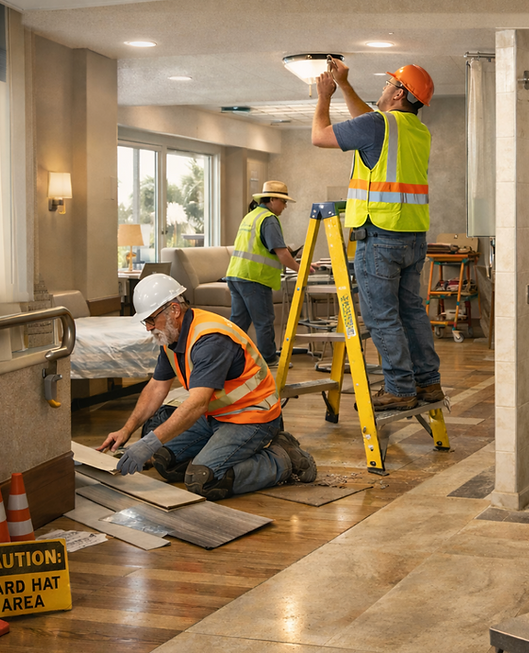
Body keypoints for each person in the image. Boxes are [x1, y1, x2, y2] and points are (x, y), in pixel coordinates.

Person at [97, 273, 317, 498]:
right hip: (217, 417)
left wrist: (148, 443)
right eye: (146, 322)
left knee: (203, 480)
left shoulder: (209, 340)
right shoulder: (171, 339)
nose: (148, 328)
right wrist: (126, 431)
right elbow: (156, 388)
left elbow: (197, 404)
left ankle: (282, 458)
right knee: (164, 461)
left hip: (252, 417)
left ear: (174, 310)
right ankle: (219, 457)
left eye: (151, 320)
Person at [310, 58, 444, 411]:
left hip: (380, 234)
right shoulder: (415, 130)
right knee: (411, 311)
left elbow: (319, 136)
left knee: (381, 315)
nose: (382, 89)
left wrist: (324, 95)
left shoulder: (378, 125)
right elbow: (367, 121)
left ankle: (399, 387)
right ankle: (428, 383)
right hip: (413, 235)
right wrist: (345, 85)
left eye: (388, 85)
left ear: (399, 93)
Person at [226, 181, 313, 366]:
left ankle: (229, 358)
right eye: (283, 201)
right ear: (273, 199)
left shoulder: (251, 216)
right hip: (254, 278)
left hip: (236, 275)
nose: (285, 206)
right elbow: (281, 253)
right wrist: (302, 269)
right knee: (264, 320)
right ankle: (269, 358)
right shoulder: (269, 219)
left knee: (238, 322)